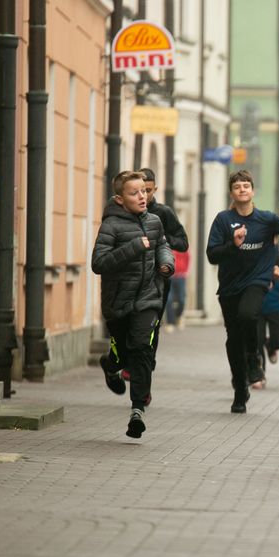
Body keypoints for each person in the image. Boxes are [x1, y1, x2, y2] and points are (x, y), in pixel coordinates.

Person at [91, 170, 174, 438]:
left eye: (144, 191)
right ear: (119, 199)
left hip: (148, 298)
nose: (142, 196)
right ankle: (111, 364)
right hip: (118, 303)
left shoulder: (154, 221)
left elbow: (162, 245)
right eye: (134, 192)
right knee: (123, 352)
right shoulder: (111, 226)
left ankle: (137, 410)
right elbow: (99, 263)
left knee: (141, 349)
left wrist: (166, 263)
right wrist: (134, 248)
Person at [206, 170, 279, 414]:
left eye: (246, 185)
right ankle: (240, 389)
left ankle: (254, 358)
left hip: (258, 280)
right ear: (231, 193)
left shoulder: (267, 219)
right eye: (237, 186)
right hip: (230, 286)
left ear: (253, 191)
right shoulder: (223, 220)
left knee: (248, 315)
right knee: (233, 339)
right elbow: (212, 255)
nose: (242, 189)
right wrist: (233, 244)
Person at [139, 168, 189, 350]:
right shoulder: (123, 212)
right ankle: (129, 362)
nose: (143, 195)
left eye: (148, 190)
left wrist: (163, 238)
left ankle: (146, 361)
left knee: (152, 324)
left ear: (155, 189)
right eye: (139, 190)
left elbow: (183, 242)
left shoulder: (163, 213)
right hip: (130, 278)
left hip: (158, 278)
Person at [165, 249, 189, 332]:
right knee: (169, 300)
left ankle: (178, 316)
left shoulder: (183, 245)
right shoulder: (166, 246)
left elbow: (188, 258)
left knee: (181, 299)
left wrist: (186, 272)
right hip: (169, 277)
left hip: (180, 277)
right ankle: (170, 323)